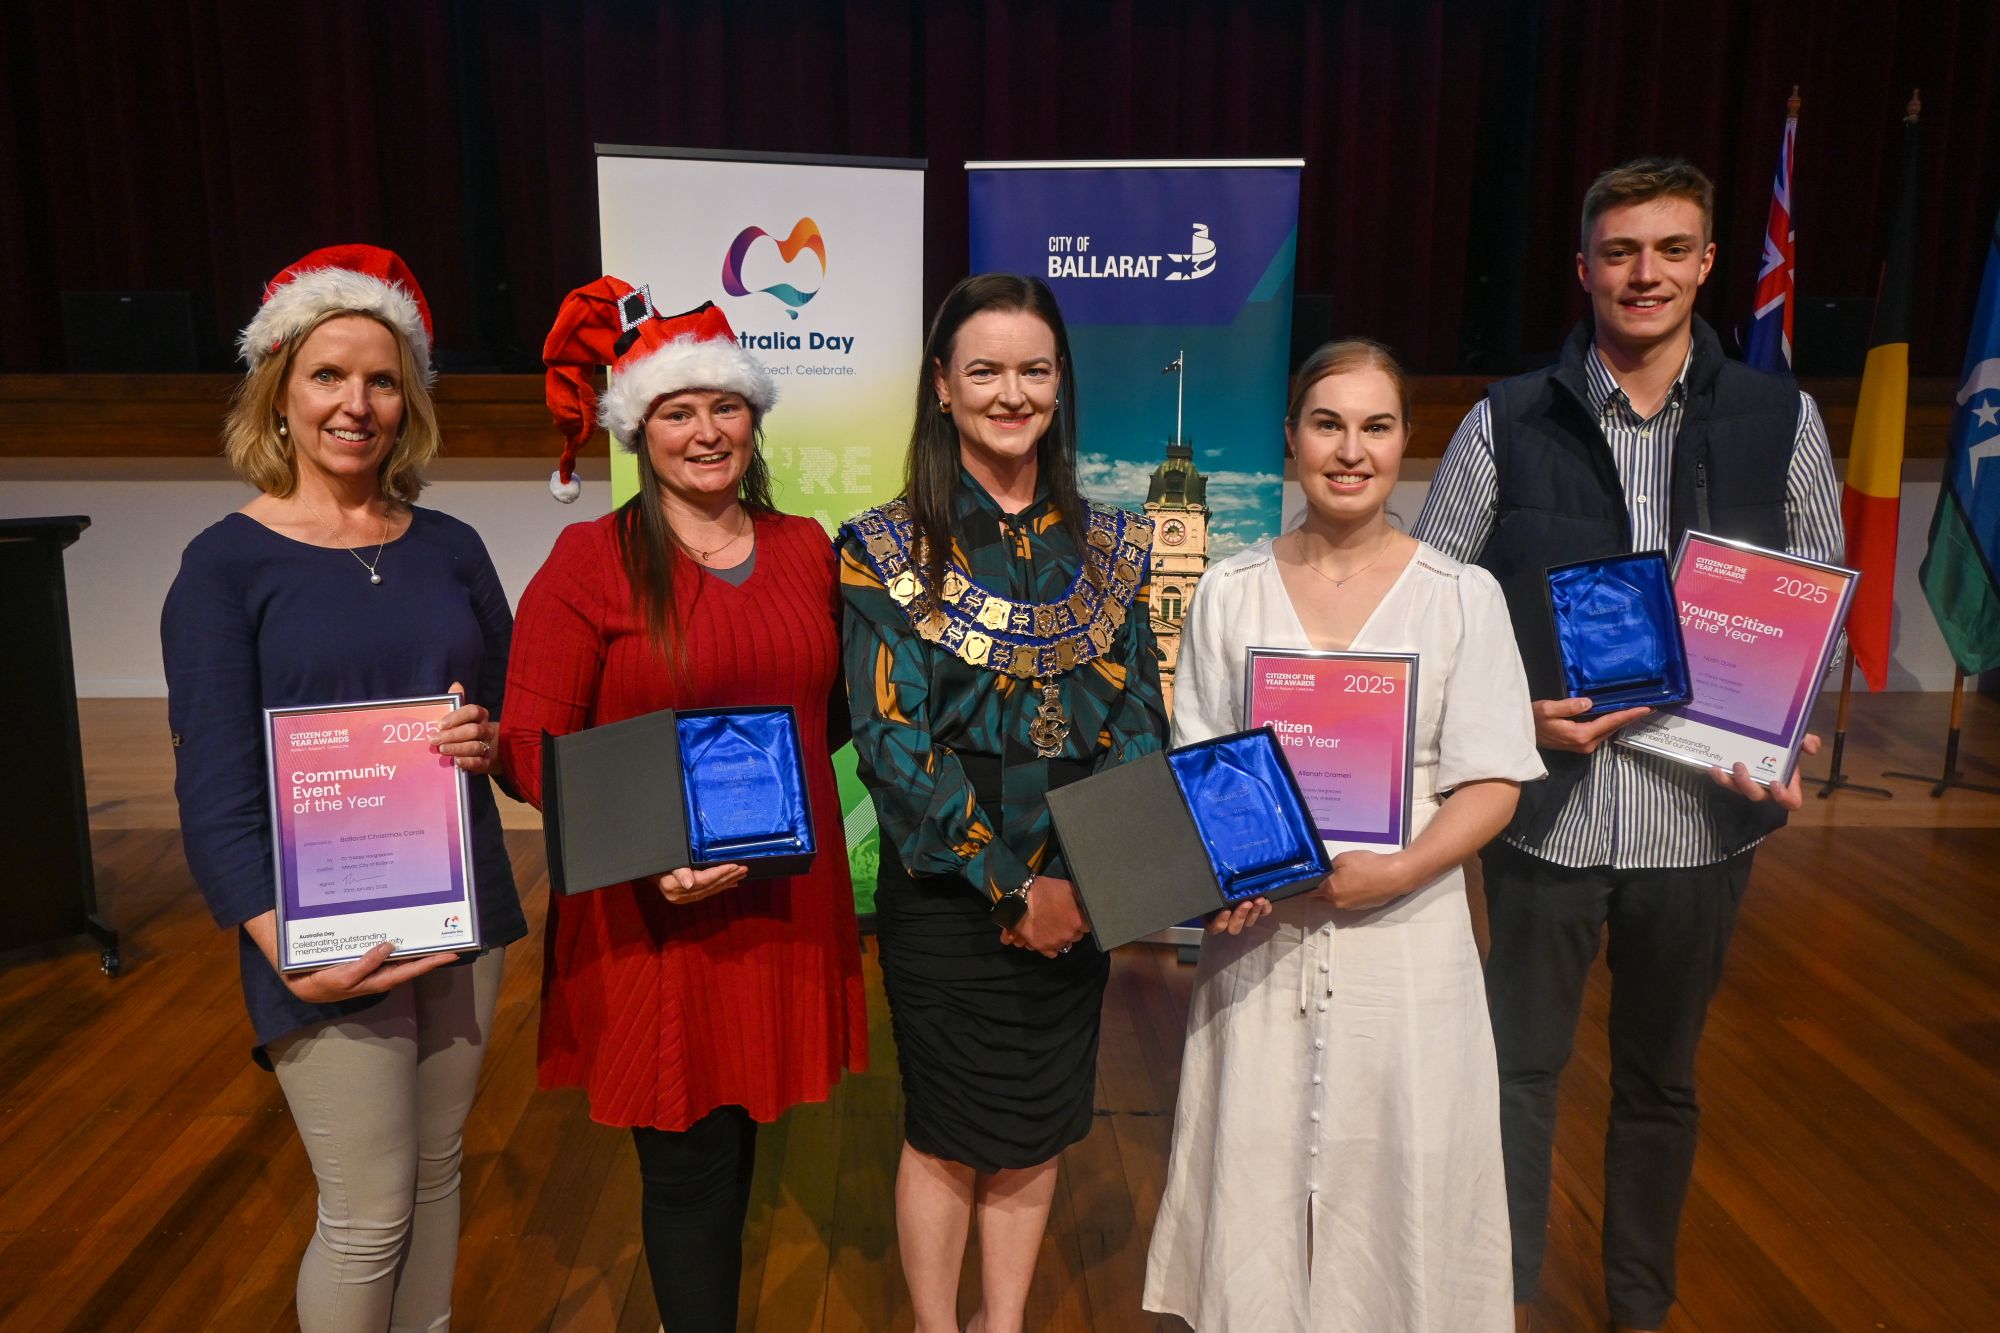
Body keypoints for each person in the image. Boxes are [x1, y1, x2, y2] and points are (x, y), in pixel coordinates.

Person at [1412, 158, 1845, 1333]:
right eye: (1619, 251)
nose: (1642, 273)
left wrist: (1792, 728)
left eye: (1669, 249)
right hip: (1545, 813)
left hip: (1703, 819)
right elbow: (1431, 602)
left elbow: (1817, 601)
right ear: (1583, 268)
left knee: (1660, 1083)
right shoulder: (1506, 419)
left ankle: (1637, 1310)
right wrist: (1508, 727)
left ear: (1707, 262)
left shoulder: (1780, 418)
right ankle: (1490, 1301)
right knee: (1516, 1076)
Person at [1142, 339, 1545, 1331]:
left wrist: (1398, 869)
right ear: (1289, 442)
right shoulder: (1229, 591)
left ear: (1405, 441)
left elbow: (1492, 780)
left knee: (1401, 1182)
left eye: (1374, 426)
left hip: (1407, 936)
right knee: (1253, 1169)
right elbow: (1199, 761)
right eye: (1327, 424)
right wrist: (1230, 871)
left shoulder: (1460, 598)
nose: (1350, 449)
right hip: (1260, 934)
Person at [162, 244, 525, 1332]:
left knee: (436, 1169)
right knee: (367, 1210)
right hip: (316, 931)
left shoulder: (450, 547)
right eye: (328, 376)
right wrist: (287, 951)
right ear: (279, 391)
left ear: (406, 398)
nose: (354, 404)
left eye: (379, 379)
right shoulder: (224, 566)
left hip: (464, 908)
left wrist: (485, 734)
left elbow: (514, 724)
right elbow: (214, 783)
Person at [495, 277, 866, 1333]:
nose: (706, 432)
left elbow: (829, 714)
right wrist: (651, 842)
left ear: (752, 416)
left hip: (776, 895)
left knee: (743, 1125)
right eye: (676, 410)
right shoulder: (588, 564)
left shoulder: (805, 550)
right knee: (689, 1153)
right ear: (638, 430)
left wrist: (765, 810)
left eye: (723, 406)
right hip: (656, 907)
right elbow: (532, 747)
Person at [839, 273, 1167, 1333]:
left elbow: (1137, 727)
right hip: (950, 892)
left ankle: (1003, 1322)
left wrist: (1081, 881)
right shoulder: (882, 546)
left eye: (1032, 369)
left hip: (1081, 887)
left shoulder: (1115, 541)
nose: (1010, 392)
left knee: (1037, 1124)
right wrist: (1011, 884)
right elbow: (892, 749)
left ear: (1059, 382)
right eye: (984, 370)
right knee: (946, 1127)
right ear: (941, 386)